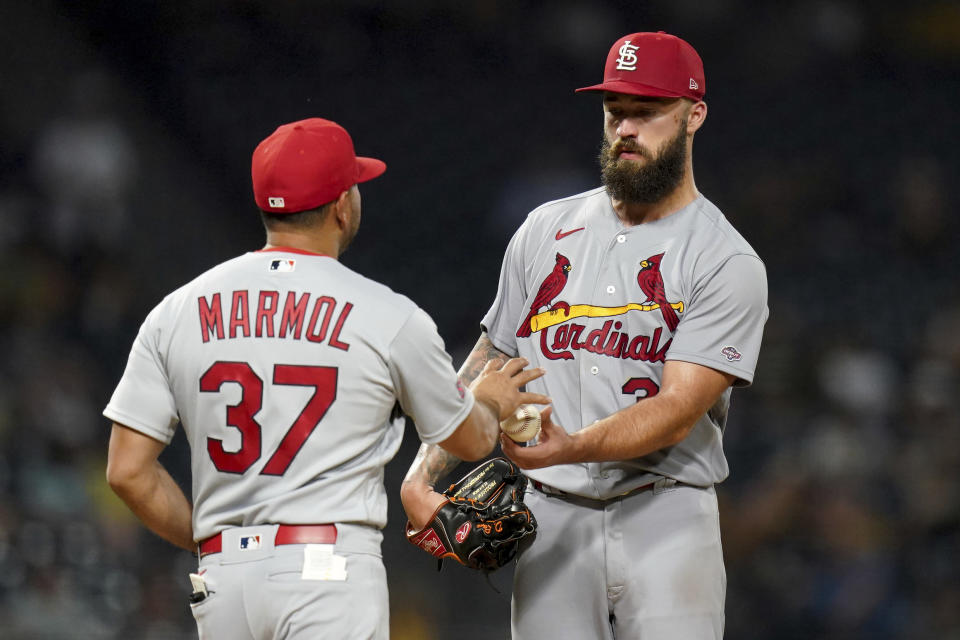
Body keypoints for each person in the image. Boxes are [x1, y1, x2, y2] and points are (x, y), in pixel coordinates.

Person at [103, 117, 549, 640]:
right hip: (327, 575)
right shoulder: (387, 314)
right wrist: (488, 401)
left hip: (222, 581)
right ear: (342, 205)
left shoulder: (175, 311)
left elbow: (127, 472)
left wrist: (213, 541)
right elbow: (469, 440)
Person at [401, 32, 768, 639]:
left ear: (694, 115)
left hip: (667, 517)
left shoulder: (723, 259)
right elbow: (491, 361)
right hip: (550, 517)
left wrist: (569, 447)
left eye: (647, 111)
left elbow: (677, 410)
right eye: (615, 111)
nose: (626, 127)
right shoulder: (544, 229)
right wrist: (421, 476)